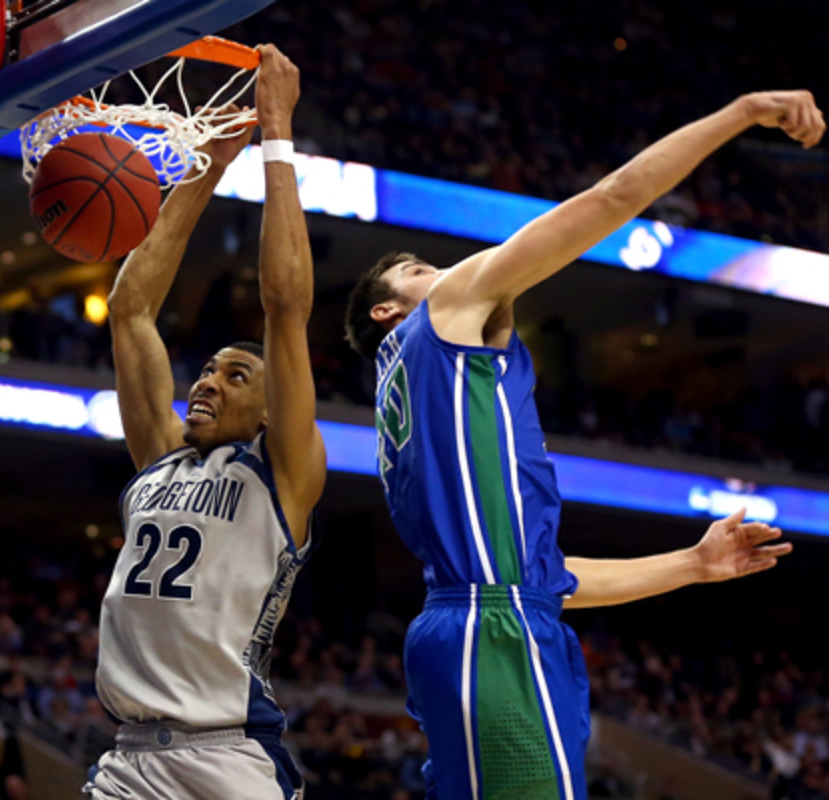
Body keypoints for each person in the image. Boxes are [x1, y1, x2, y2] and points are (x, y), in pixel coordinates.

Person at [343, 90, 822, 799]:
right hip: (494, 632)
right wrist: (744, 112)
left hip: (481, 619)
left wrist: (693, 564)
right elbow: (615, 196)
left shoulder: (424, 388)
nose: (442, 269)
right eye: (417, 269)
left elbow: (546, 582)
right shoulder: (443, 315)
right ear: (387, 310)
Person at [83, 44, 326, 800]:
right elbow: (131, 309)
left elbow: (285, 305)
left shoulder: (281, 473)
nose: (208, 382)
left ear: (270, 409)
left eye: (236, 375)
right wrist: (206, 167)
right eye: (210, 368)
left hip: (227, 758)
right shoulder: (160, 456)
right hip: (128, 758)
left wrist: (276, 133)